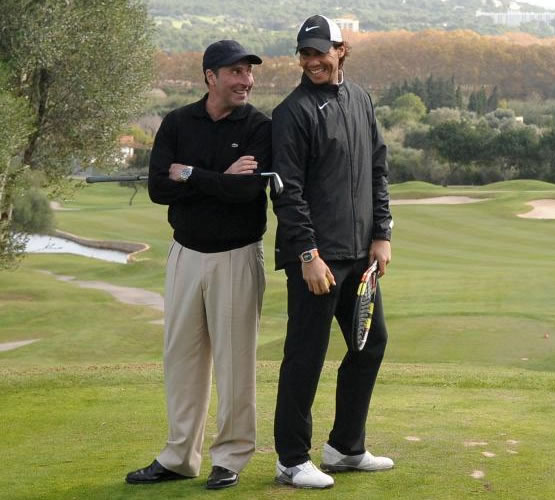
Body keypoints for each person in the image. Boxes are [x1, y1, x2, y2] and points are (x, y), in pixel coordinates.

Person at [125, 40, 271, 491]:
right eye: (236, 72)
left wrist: (189, 174)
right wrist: (219, 179)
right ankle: (179, 456)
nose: (246, 81)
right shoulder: (177, 122)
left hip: (236, 256)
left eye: (249, 73)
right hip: (185, 254)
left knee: (234, 363)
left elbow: (247, 192)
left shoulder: (259, 127)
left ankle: (230, 457)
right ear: (211, 76)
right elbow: (157, 187)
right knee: (182, 360)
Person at [270, 15, 395, 489]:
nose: (312, 60)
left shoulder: (360, 99)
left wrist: (381, 233)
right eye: (304, 53)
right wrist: (307, 255)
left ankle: (345, 447)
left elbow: (378, 170)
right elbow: (287, 192)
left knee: (370, 343)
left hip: (360, 255)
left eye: (320, 52)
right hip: (317, 260)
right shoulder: (293, 112)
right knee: (306, 353)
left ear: (342, 51)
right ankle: (291, 459)